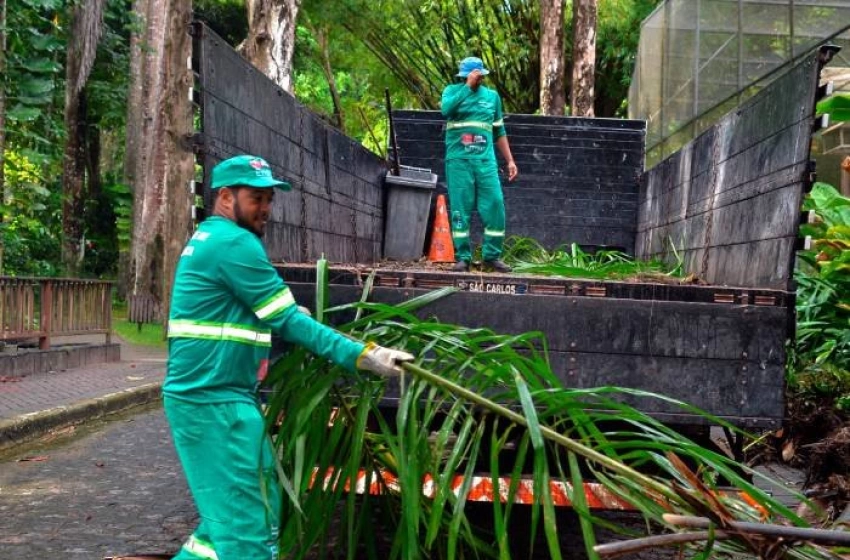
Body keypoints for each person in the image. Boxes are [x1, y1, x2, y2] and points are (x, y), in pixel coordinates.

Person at [163, 154, 414, 560]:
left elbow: (245, 308)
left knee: (228, 523)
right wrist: (367, 355)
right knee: (248, 532)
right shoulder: (235, 243)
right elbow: (287, 323)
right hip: (215, 403)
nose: (265, 209)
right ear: (226, 197)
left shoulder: (210, 239)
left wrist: (286, 313)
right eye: (256, 199)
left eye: (269, 199)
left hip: (219, 400)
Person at [441, 56, 518, 273]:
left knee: (495, 204)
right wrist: (466, 88)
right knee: (460, 209)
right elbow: (445, 110)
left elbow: (499, 131)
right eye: (476, 75)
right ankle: (463, 258)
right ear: (466, 76)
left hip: (486, 161)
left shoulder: (492, 97)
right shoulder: (451, 91)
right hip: (459, 161)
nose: (479, 78)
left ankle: (491, 257)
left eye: (481, 75)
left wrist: (510, 160)